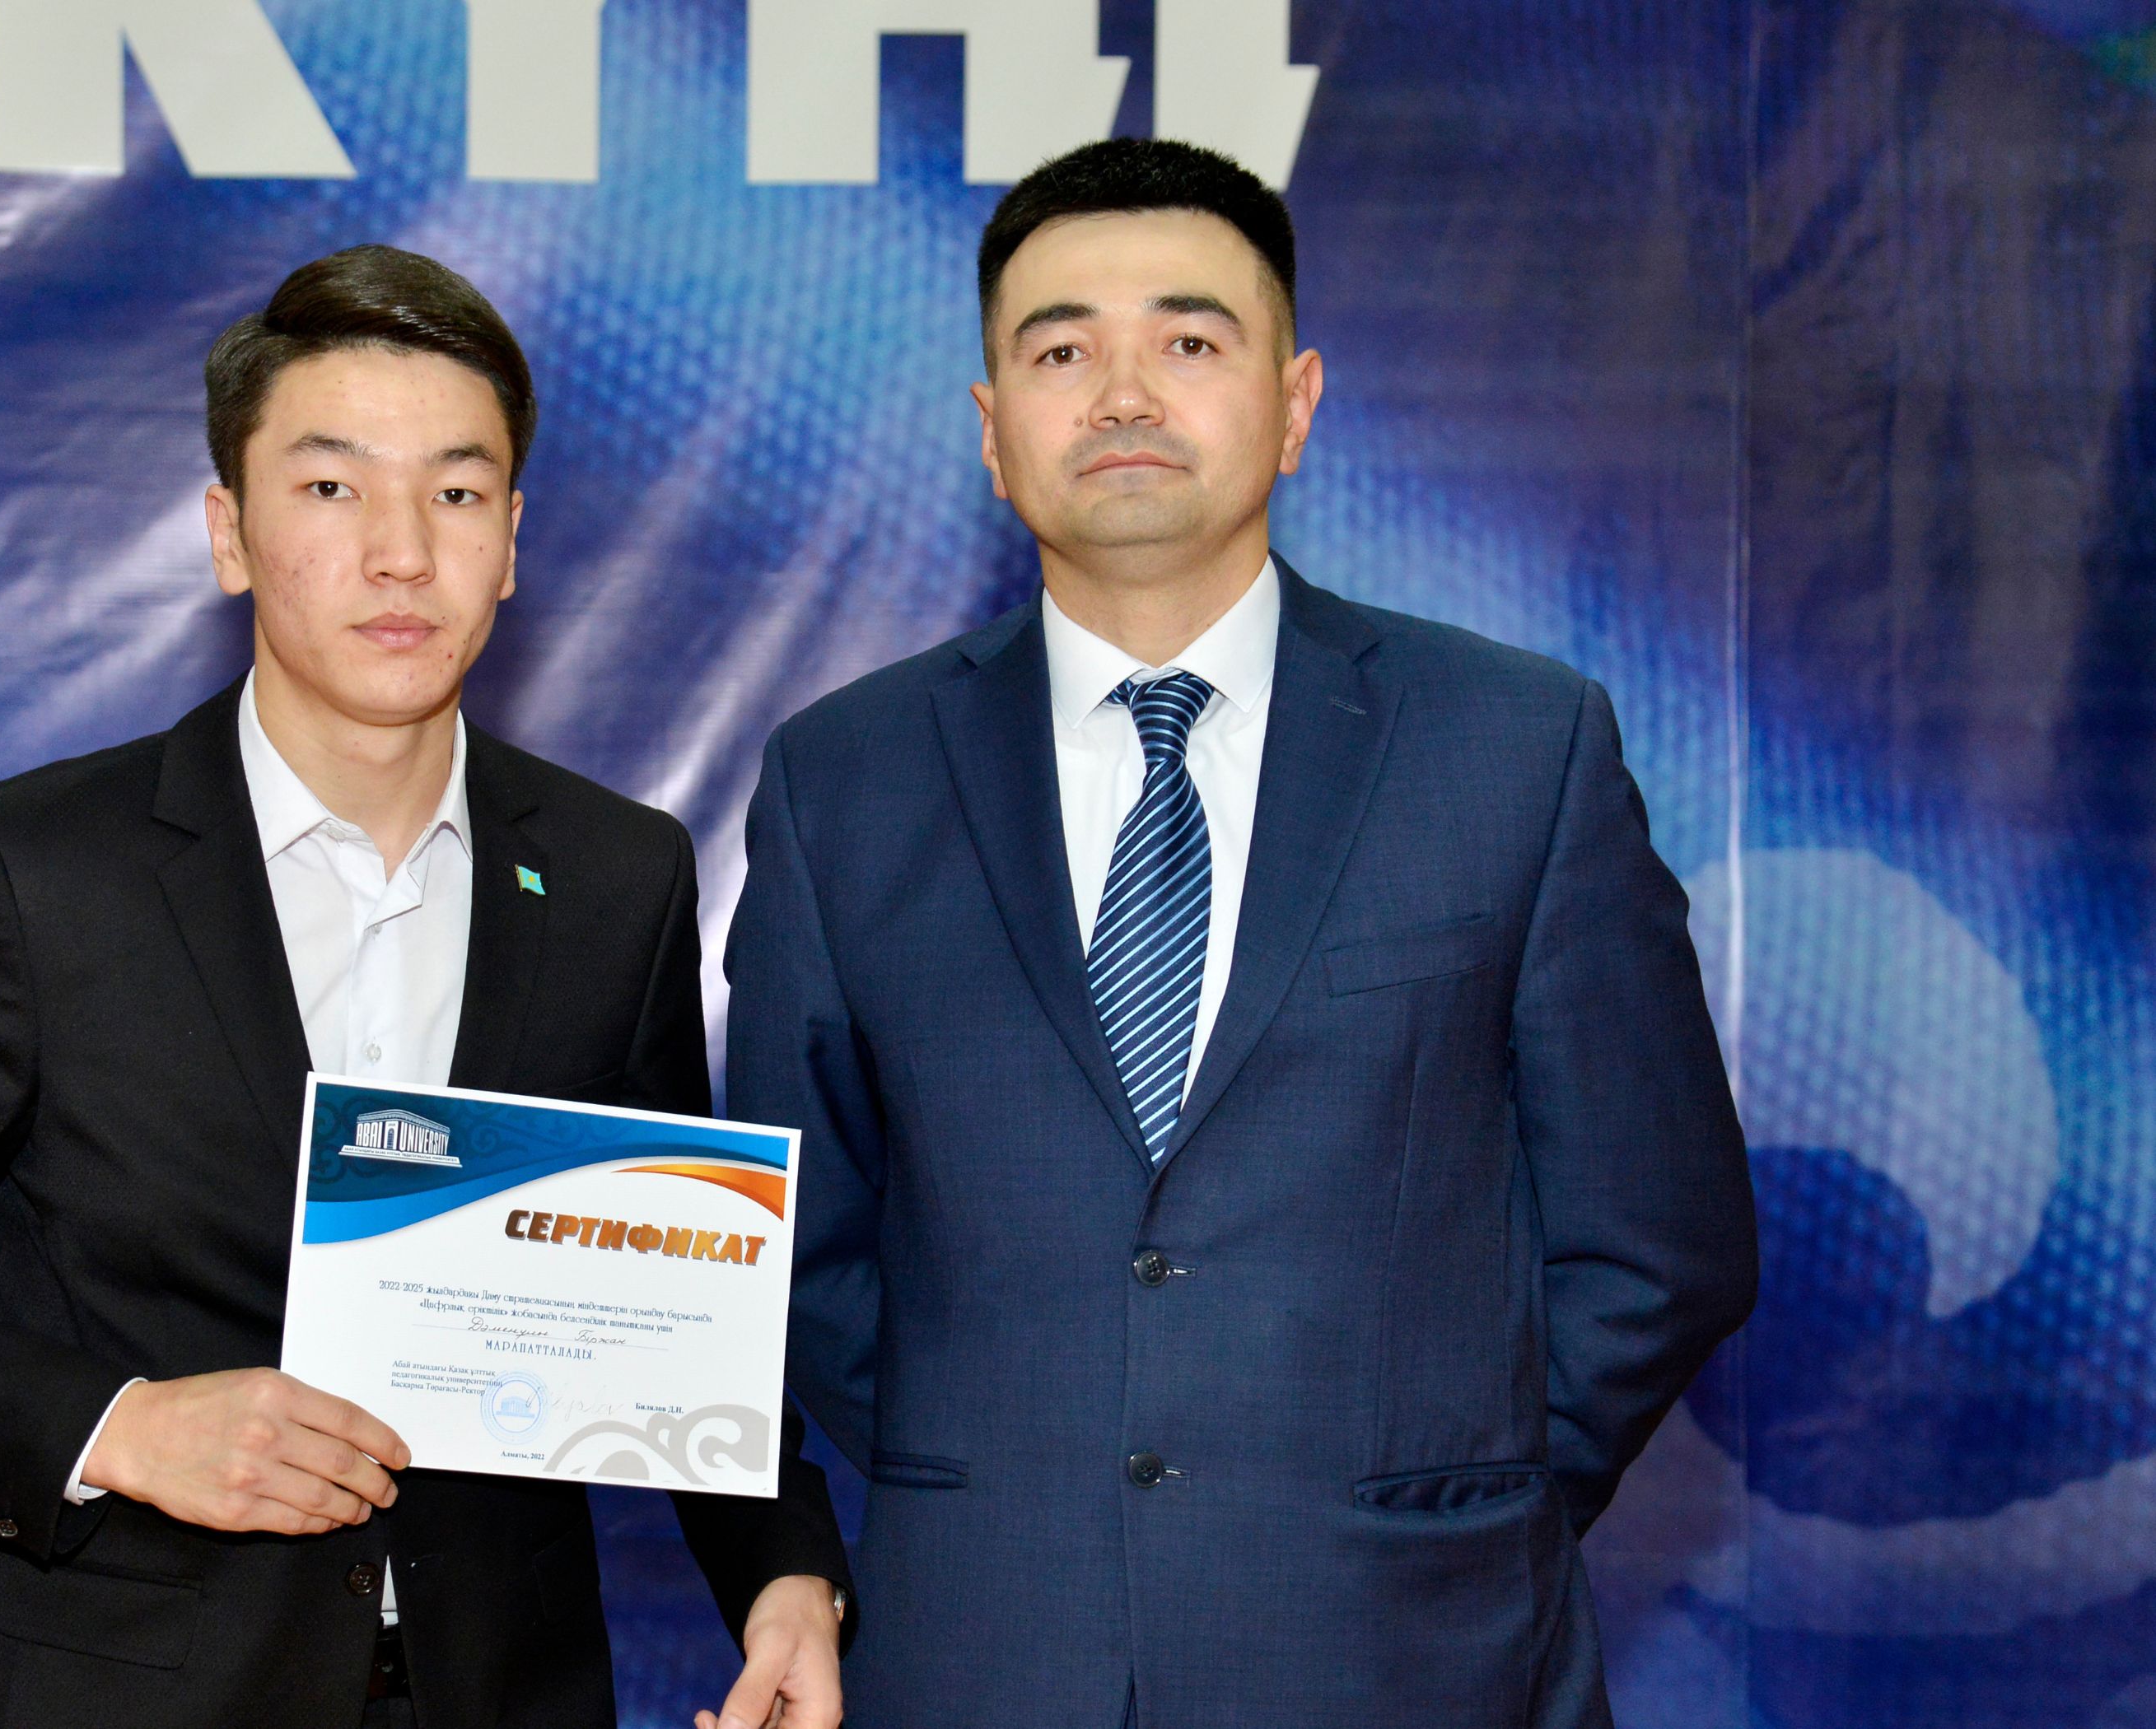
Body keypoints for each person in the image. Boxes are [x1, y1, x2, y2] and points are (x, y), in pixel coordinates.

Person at [0, 245, 849, 1729]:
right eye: (331, 486)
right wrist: (115, 1429)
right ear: (230, 532)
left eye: (458, 492)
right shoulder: (35, 873)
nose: (401, 552)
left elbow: (674, 1294)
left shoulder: (617, 877)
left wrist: (784, 1576)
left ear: (512, 541)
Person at [725, 138, 1756, 1728]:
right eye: (1061, 352)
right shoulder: (842, 779)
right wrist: (1004, 1479)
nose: (1124, 395)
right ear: (992, 430)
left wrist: (1467, 1491)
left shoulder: (1512, 746)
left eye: (1191, 342)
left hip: (1420, 1654)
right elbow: (798, 1238)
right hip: (988, 1652)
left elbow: (1658, 1231)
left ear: (1295, 403)